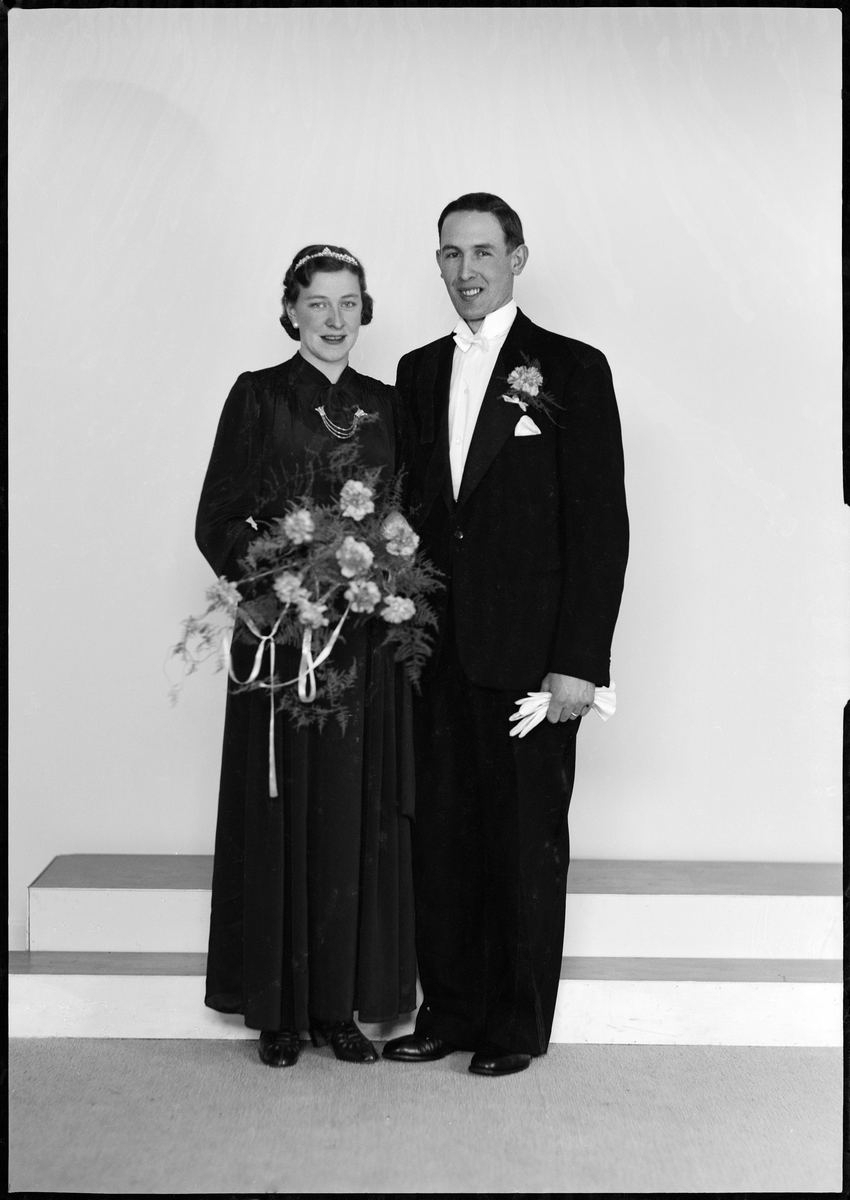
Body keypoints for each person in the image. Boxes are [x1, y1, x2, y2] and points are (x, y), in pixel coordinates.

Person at [383, 194, 629, 1076]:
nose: (466, 271)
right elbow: (414, 512)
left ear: (517, 258)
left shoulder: (572, 368)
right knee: (442, 840)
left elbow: (601, 528)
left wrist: (579, 664)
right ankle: (448, 1012)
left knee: (524, 844)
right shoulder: (416, 371)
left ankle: (514, 1028)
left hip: (531, 660)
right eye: (451, 254)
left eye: (483, 252)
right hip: (433, 653)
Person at [195, 245, 417, 1068]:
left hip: (364, 646)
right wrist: (288, 579)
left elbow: (408, 515)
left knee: (351, 819)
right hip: (285, 640)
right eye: (318, 303)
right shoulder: (257, 396)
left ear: (365, 311)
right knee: (281, 813)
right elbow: (218, 519)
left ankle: (339, 1010)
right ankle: (280, 1014)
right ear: (290, 310)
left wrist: (386, 566)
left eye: (349, 303)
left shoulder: (386, 405)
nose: (334, 319)